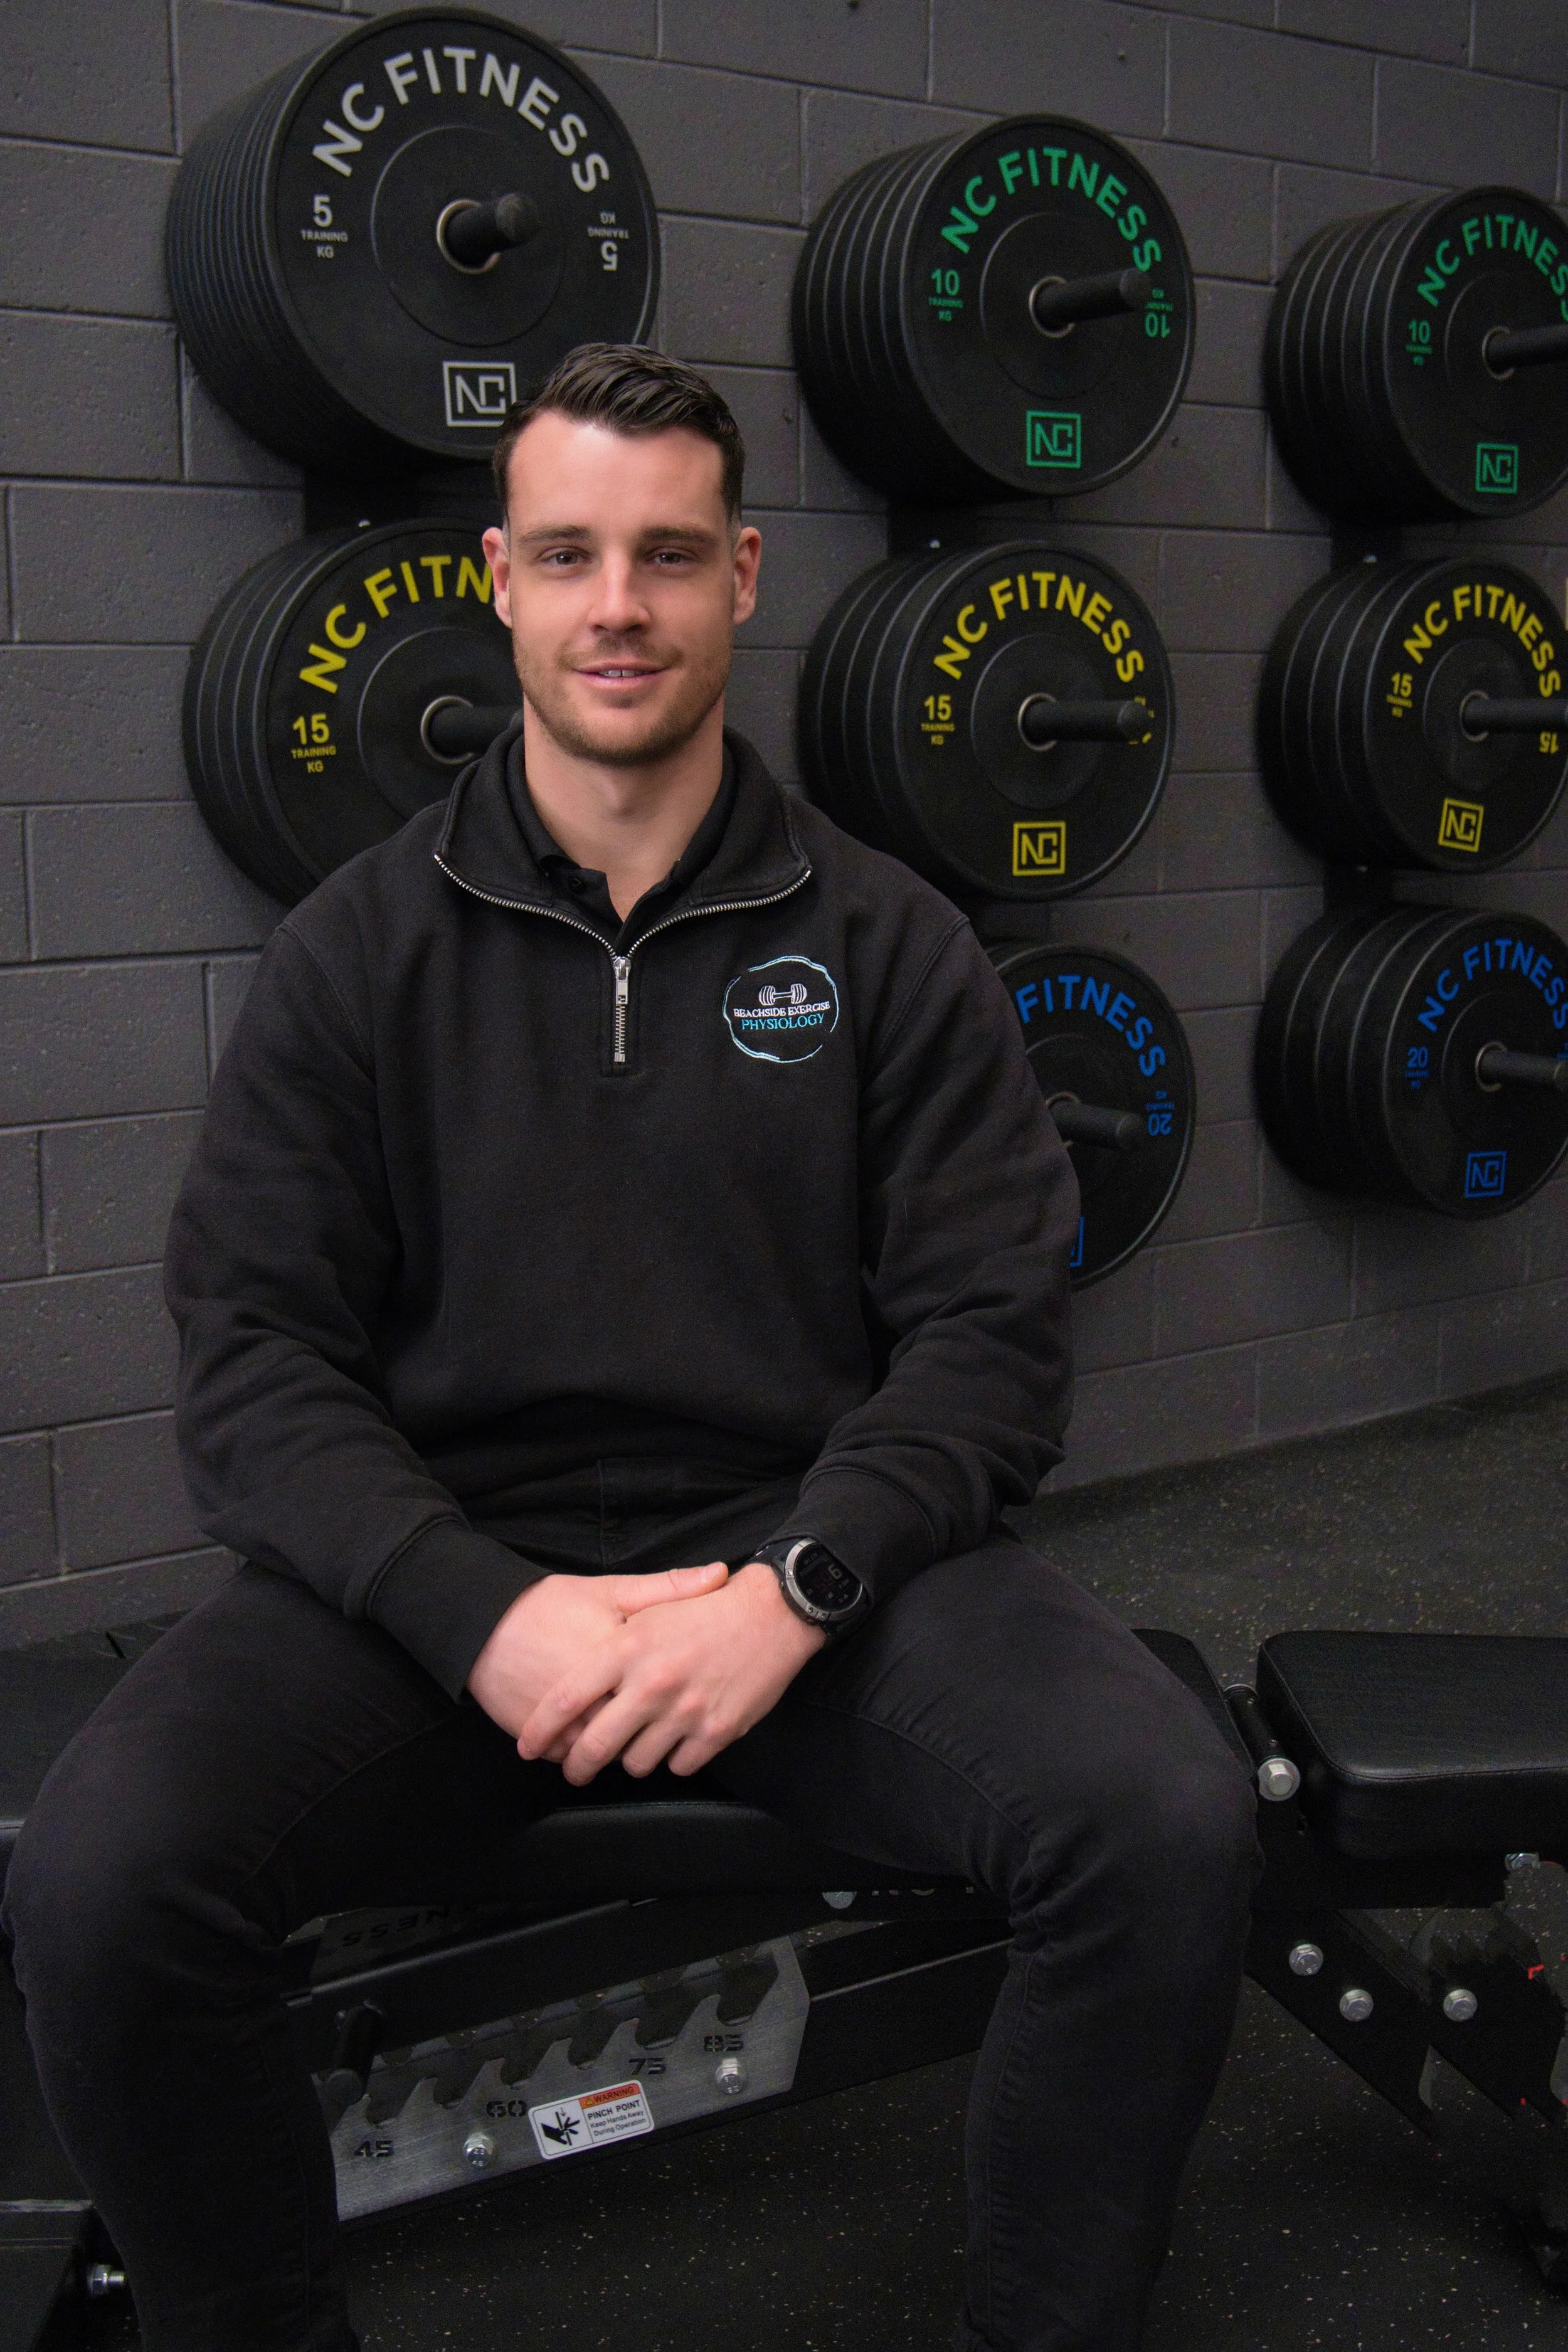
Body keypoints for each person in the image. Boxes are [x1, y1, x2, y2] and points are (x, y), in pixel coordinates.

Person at [4, 344, 1256, 2352]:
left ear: (741, 575)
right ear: (499, 579)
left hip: (805, 1576)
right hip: (446, 1589)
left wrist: (796, 1585)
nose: (618, 605)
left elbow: (989, 1336)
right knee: (101, 1878)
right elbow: (253, 1362)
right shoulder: (354, 951)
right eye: (571, 553)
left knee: (1163, 1818)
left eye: (668, 554)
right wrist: (479, 1610)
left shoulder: (887, 943)